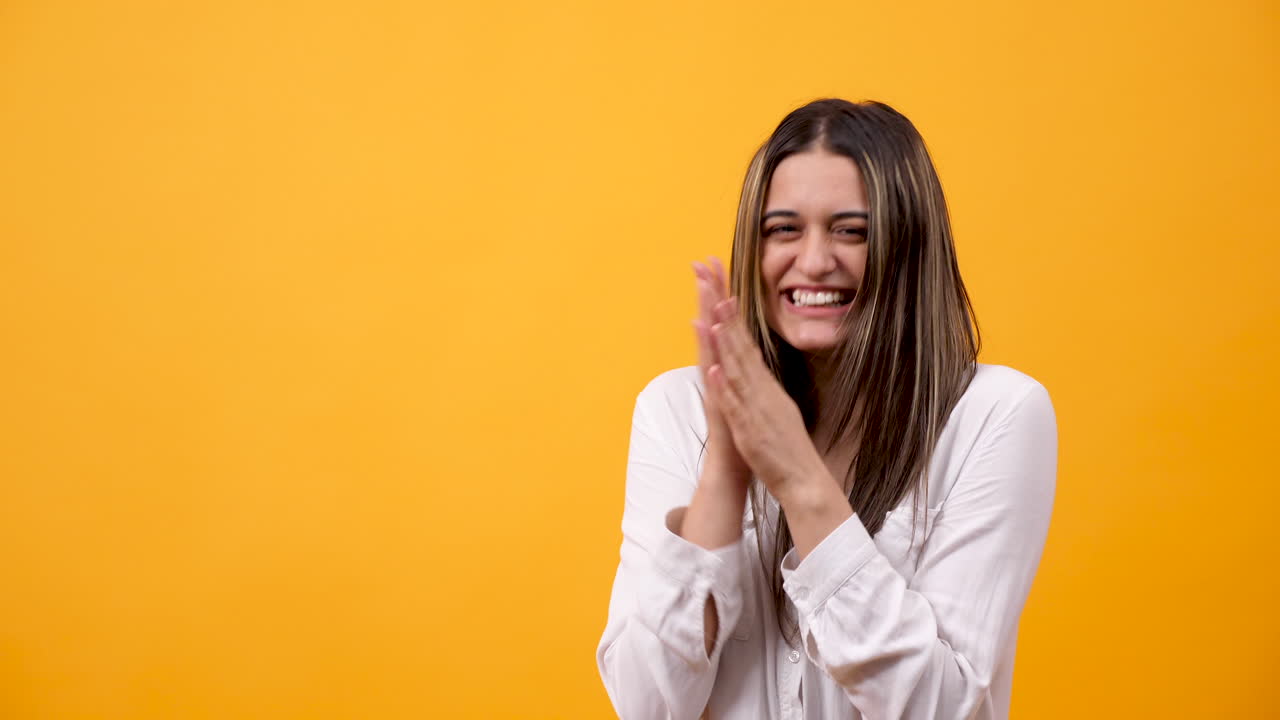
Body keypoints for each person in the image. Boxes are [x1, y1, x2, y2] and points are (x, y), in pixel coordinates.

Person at [595, 98, 1058, 720]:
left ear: (907, 249)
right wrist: (725, 472)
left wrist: (798, 479)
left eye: (852, 231)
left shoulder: (996, 415)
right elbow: (646, 705)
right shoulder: (674, 409)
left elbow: (945, 709)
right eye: (784, 229)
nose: (813, 261)